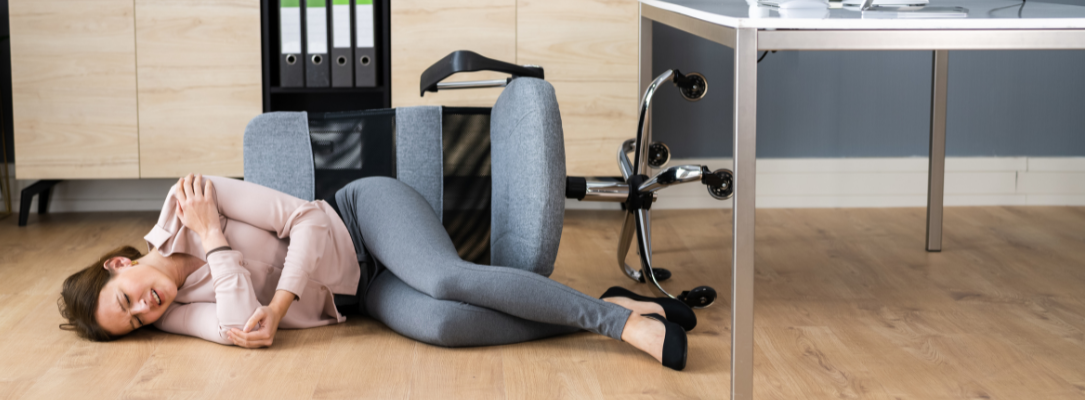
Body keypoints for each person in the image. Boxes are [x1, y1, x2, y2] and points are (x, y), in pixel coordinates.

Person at [58, 174, 696, 370]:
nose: (149, 308)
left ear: (120, 264)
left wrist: (275, 307)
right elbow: (233, 327)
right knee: (445, 326)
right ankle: (616, 305)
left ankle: (620, 325)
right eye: (137, 323)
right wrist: (217, 243)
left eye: (130, 297)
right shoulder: (171, 312)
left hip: (360, 217)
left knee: (446, 280)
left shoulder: (189, 196)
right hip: (360, 295)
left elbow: (307, 220)